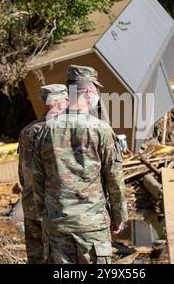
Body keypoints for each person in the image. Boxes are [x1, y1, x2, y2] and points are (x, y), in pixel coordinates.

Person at [32, 65, 128, 264]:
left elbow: (37, 177)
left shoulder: (46, 130)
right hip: (91, 225)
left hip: (57, 222)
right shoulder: (101, 130)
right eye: (96, 90)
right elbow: (115, 179)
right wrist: (119, 216)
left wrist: (44, 213)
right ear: (88, 91)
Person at [17, 84, 68, 264]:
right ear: (61, 102)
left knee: (36, 257)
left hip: (31, 204)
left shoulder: (27, 131)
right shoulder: (67, 131)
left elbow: (22, 174)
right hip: (57, 208)